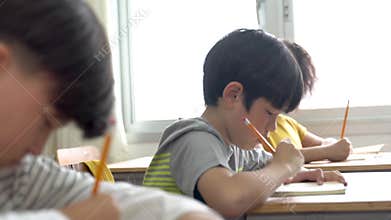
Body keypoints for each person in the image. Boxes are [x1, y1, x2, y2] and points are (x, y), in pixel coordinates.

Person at [0, 1, 221, 219]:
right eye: (46, 121)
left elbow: (119, 200)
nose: (38, 149)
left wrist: (191, 213)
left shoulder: (16, 174)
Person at [143, 29, 346, 218]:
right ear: (234, 95)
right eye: (269, 113)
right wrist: (283, 166)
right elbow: (231, 198)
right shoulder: (193, 139)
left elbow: (264, 171)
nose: (273, 127)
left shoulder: (234, 147)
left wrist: (296, 174)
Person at [267, 40, 352, 163]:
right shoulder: (257, 124)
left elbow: (322, 142)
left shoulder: (289, 124)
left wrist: (335, 146)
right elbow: (269, 159)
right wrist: (327, 151)